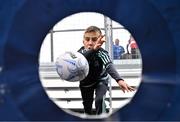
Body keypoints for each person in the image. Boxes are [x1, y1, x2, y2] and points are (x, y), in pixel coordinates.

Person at [78, 26, 135, 115]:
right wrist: (93, 50)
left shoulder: (102, 53)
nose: (90, 43)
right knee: (87, 105)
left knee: (100, 100)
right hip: (85, 82)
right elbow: (81, 59)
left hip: (100, 80)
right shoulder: (80, 53)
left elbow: (109, 65)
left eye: (94, 40)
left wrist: (119, 79)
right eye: (87, 39)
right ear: (83, 41)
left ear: (99, 41)